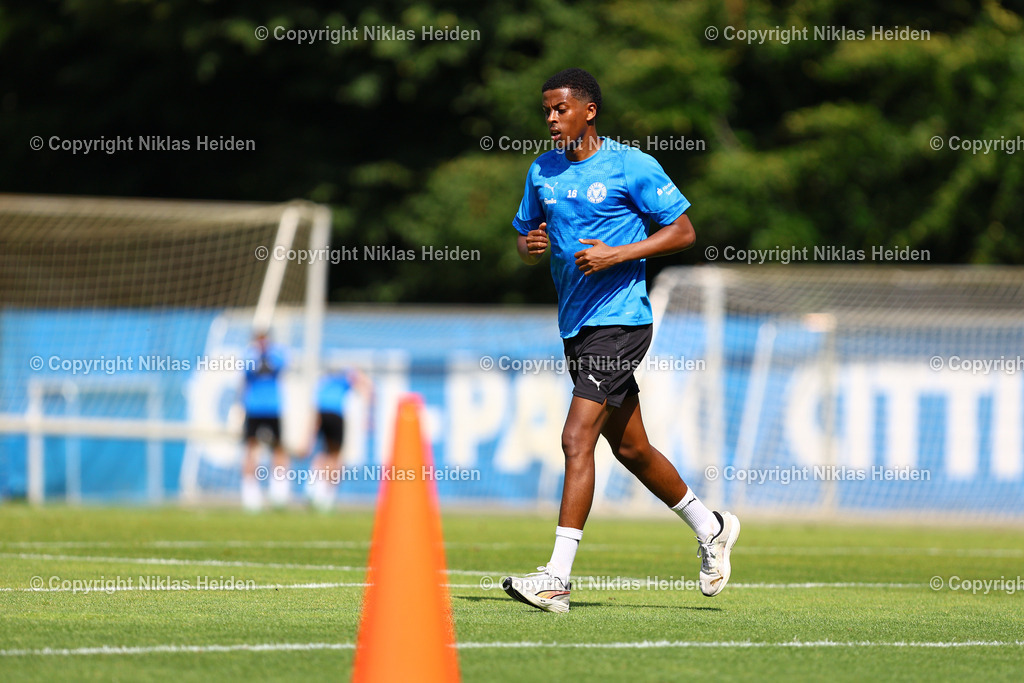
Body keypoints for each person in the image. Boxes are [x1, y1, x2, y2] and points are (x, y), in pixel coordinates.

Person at [501, 68, 740, 613]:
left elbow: (683, 232)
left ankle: (556, 579)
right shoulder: (542, 170)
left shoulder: (631, 165)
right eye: (546, 110)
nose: (551, 118)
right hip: (576, 325)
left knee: (575, 438)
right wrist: (529, 246)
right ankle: (711, 526)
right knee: (630, 447)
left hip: (622, 321)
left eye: (560, 109)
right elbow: (523, 237)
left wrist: (618, 254)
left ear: (589, 111)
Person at [306, 365, 372, 511]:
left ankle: (316, 485)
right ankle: (327, 494)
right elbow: (366, 383)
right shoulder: (345, 378)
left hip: (322, 414)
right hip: (335, 415)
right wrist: (368, 412)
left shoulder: (323, 382)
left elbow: (314, 405)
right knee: (335, 456)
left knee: (324, 452)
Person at [240, 329, 289, 511]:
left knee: (279, 448)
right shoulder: (249, 355)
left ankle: (279, 492)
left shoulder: (277, 354)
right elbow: (248, 373)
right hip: (253, 407)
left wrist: (266, 353)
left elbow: (279, 366)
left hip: (273, 408)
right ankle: (250, 494)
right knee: (251, 448)